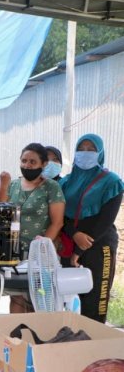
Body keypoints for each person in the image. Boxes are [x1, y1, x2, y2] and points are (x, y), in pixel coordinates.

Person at [60, 134, 123, 323]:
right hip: (70, 242)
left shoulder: (112, 182)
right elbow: (60, 215)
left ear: (100, 153)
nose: (85, 153)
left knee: (96, 299)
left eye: (91, 149)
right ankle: (70, 343)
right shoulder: (66, 182)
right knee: (68, 298)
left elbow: (105, 220)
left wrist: (80, 248)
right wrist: (75, 234)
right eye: (81, 148)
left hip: (98, 245)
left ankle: (95, 348)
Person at [0, 142, 65, 313]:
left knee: (41, 299)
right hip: (14, 253)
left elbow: (57, 222)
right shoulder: (13, 185)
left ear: (43, 164)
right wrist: (3, 185)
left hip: (40, 254)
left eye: (32, 162)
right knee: (16, 299)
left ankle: (39, 338)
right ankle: (15, 338)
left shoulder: (52, 187)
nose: (27, 165)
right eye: (24, 161)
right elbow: (0, 211)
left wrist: (40, 249)